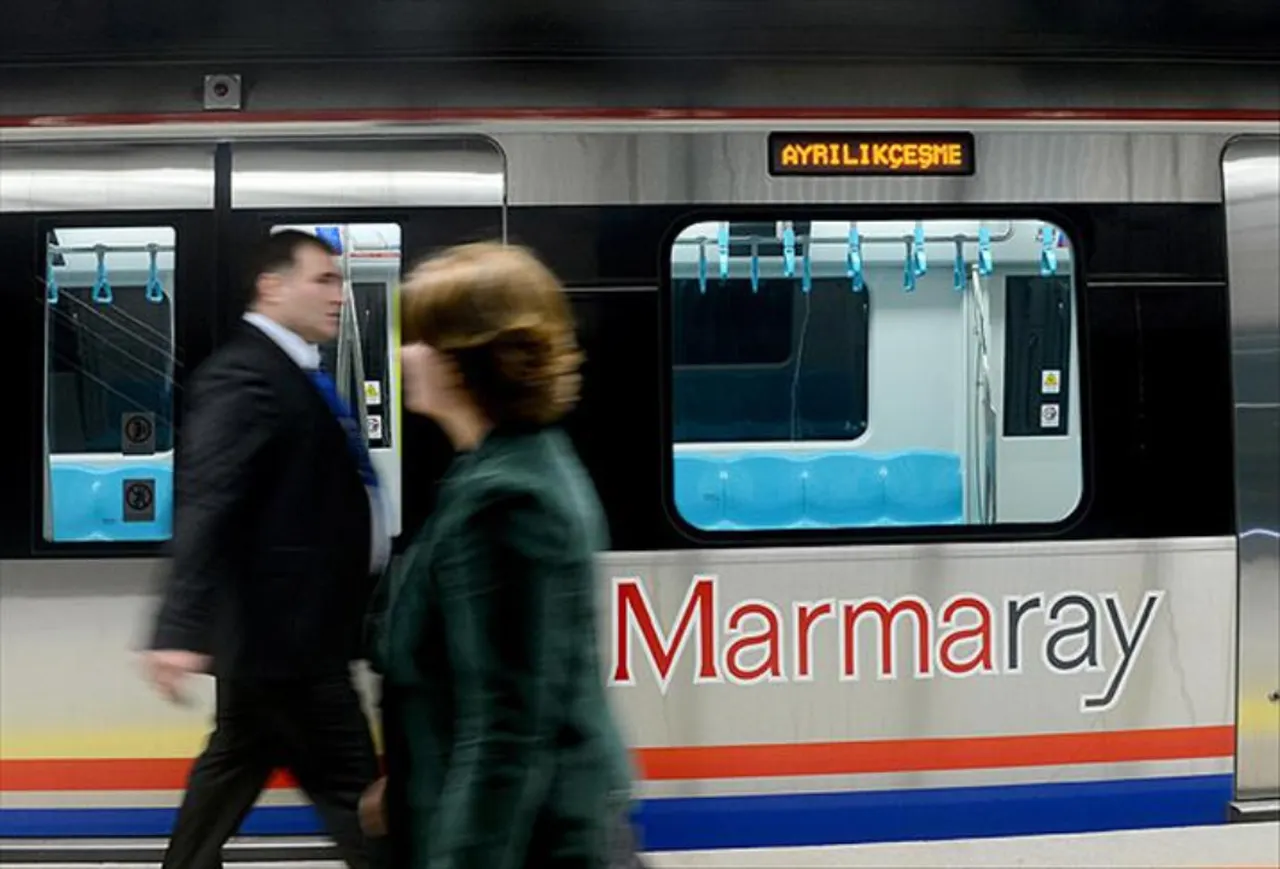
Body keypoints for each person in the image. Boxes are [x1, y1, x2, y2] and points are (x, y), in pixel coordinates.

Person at [362, 242, 638, 868]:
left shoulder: (508, 500)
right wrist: (408, 786)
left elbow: (508, 732)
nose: (405, 355)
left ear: (465, 361)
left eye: (420, 340)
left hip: (537, 845)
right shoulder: (503, 467)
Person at [143, 229, 390, 869]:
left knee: (233, 769)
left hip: (278, 644)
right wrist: (178, 628)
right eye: (323, 280)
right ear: (272, 286)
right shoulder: (246, 376)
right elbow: (208, 499)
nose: (338, 295)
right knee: (362, 807)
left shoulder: (294, 373)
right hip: (290, 645)